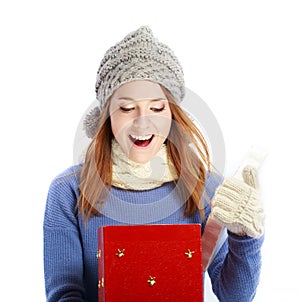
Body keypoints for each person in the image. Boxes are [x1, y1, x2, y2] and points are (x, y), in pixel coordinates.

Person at [43, 26, 265, 301]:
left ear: (172, 113)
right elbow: (64, 293)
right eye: (126, 108)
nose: (143, 121)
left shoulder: (205, 187)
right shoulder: (69, 191)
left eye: (157, 108)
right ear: (107, 114)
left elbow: (235, 297)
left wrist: (245, 237)